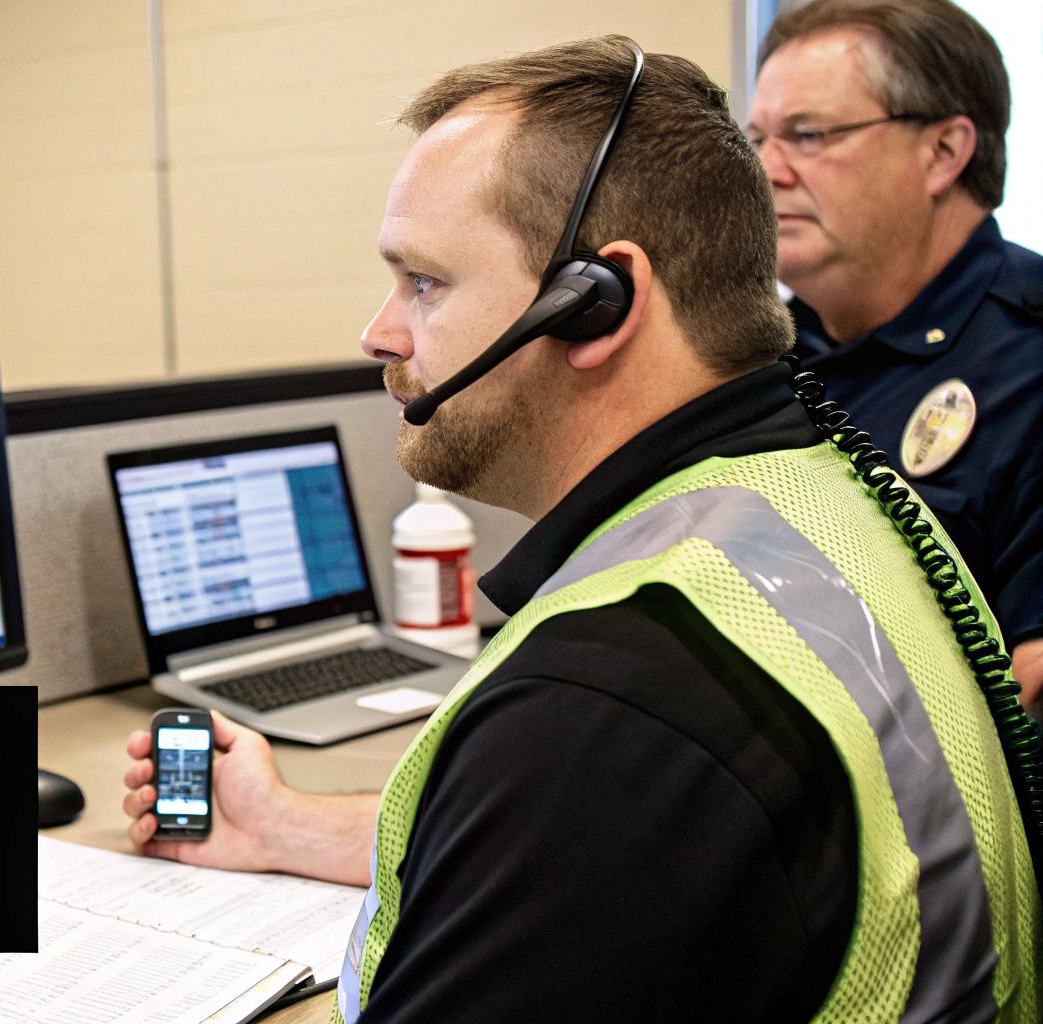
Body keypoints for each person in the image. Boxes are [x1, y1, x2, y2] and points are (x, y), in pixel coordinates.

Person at [121, 35, 1041, 1022]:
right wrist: (284, 826)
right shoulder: (824, 502)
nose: (379, 333)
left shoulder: (615, 692)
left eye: (424, 281)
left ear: (595, 305)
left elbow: (612, 804)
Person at [747, 0, 1043, 714]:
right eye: (755, 139)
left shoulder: (1028, 362)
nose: (765, 170)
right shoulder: (755, 359)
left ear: (943, 152)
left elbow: (1030, 691)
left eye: (808, 135)